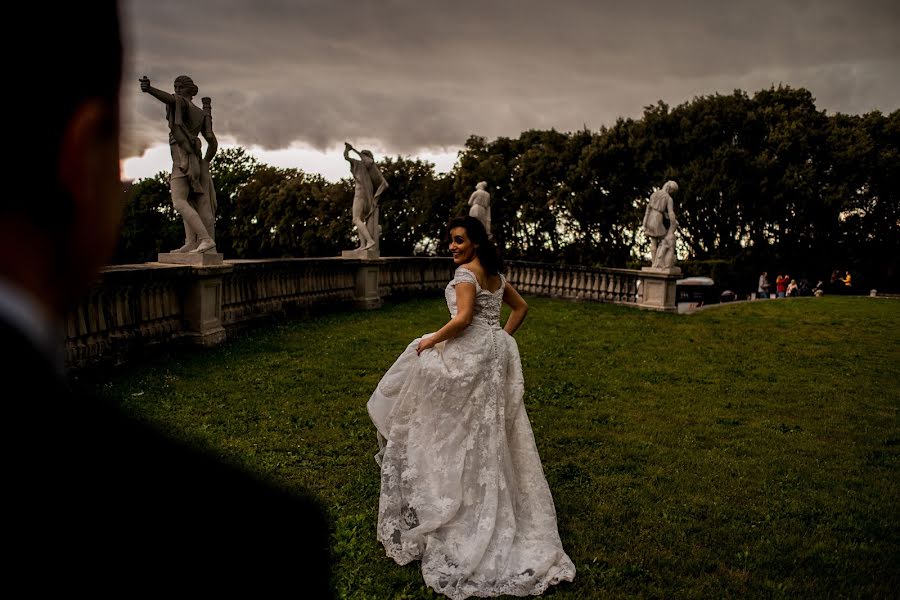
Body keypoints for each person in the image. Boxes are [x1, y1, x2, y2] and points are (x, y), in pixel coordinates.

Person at [4, 3, 332, 594]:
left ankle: (198, 241)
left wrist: (166, 96)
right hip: (193, 162)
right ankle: (199, 240)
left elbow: (179, 114)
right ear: (81, 160)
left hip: (191, 162)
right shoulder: (266, 536)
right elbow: (195, 126)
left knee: (189, 209)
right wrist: (187, 108)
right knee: (191, 211)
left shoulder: (182, 106)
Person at [367, 216, 576, 598]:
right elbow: (520, 309)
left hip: (471, 357)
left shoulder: (466, 275)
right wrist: (499, 339)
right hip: (492, 360)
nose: (452, 247)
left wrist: (430, 341)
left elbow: (462, 320)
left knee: (442, 413)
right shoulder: (494, 274)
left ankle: (448, 494)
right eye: (450, 241)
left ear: (475, 243)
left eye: (459, 240)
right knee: (488, 430)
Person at [140, 74, 218, 253]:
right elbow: (212, 142)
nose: (176, 91)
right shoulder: (202, 113)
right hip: (196, 159)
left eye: (179, 87)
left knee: (179, 201)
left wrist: (150, 89)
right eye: (175, 87)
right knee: (194, 202)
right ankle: (192, 242)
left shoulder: (182, 103)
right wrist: (205, 161)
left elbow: (170, 99)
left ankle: (205, 240)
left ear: (187, 90)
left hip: (183, 159)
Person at [344, 142, 388, 251]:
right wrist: (375, 197)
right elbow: (384, 184)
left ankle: (369, 241)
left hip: (360, 195)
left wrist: (347, 149)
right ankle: (363, 245)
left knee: (356, 219)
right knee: (360, 221)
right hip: (368, 199)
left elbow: (346, 157)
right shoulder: (370, 171)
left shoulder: (359, 165)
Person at [642, 180, 678, 263]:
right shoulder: (668, 199)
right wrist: (674, 222)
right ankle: (659, 262)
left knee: (653, 241)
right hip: (657, 220)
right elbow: (671, 212)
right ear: (671, 189)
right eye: (673, 191)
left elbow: (648, 209)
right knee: (666, 238)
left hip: (650, 218)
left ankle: (654, 262)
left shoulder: (654, 194)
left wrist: (644, 223)